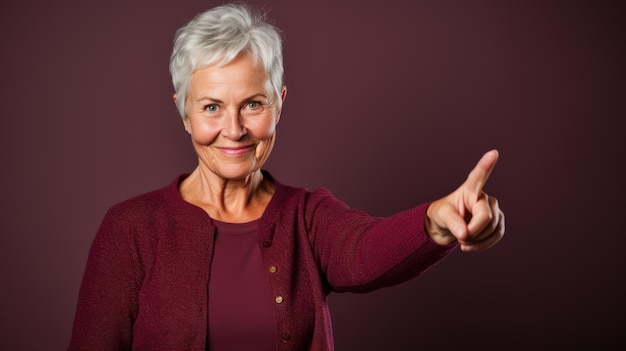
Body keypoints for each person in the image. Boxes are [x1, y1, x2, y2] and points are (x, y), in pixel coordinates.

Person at [68, 3, 505, 350]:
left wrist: (435, 220)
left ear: (279, 103)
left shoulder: (308, 216)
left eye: (253, 104)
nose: (234, 129)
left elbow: (364, 251)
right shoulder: (129, 229)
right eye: (211, 107)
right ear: (183, 112)